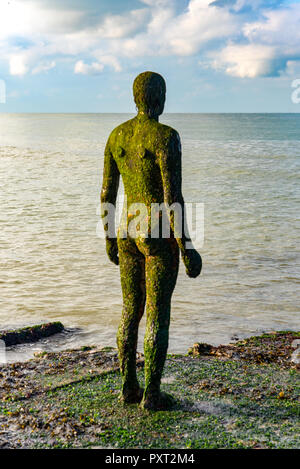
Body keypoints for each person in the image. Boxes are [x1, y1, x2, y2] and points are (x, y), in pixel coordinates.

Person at [101, 71, 202, 410]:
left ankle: (127, 386)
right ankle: (152, 394)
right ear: (160, 98)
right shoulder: (167, 137)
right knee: (158, 314)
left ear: (135, 98)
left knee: (131, 310)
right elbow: (174, 199)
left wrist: (108, 238)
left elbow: (106, 193)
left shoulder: (116, 136)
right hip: (156, 231)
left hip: (127, 230)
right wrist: (187, 249)